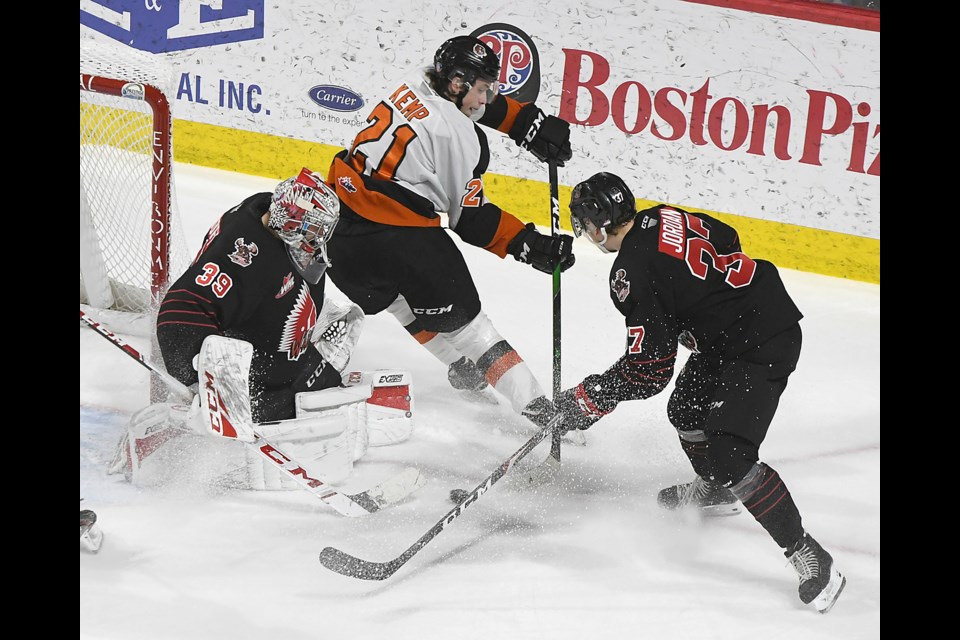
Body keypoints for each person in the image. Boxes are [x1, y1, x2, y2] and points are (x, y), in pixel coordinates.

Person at [553, 172, 846, 614]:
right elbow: (728, 236)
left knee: (731, 454)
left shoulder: (630, 270)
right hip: (735, 328)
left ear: (596, 223)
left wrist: (591, 397)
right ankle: (715, 490)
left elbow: (649, 370)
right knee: (685, 410)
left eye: (583, 222)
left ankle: (807, 554)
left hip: (762, 339)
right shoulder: (660, 217)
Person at [323, 35, 576, 430]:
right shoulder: (458, 137)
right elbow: (469, 220)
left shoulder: (415, 81)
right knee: (474, 331)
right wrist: (530, 244)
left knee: (400, 301)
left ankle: (460, 368)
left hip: (338, 235)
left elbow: (461, 106)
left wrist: (523, 122)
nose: (485, 100)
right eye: (481, 90)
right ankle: (543, 413)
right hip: (395, 241)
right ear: (456, 83)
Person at [108, 168, 414, 489]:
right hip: (255, 366)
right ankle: (161, 429)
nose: (321, 239)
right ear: (293, 223)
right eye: (315, 230)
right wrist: (201, 380)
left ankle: (312, 336)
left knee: (331, 374)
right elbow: (180, 312)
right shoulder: (245, 256)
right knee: (300, 417)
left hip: (272, 334)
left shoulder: (267, 211)